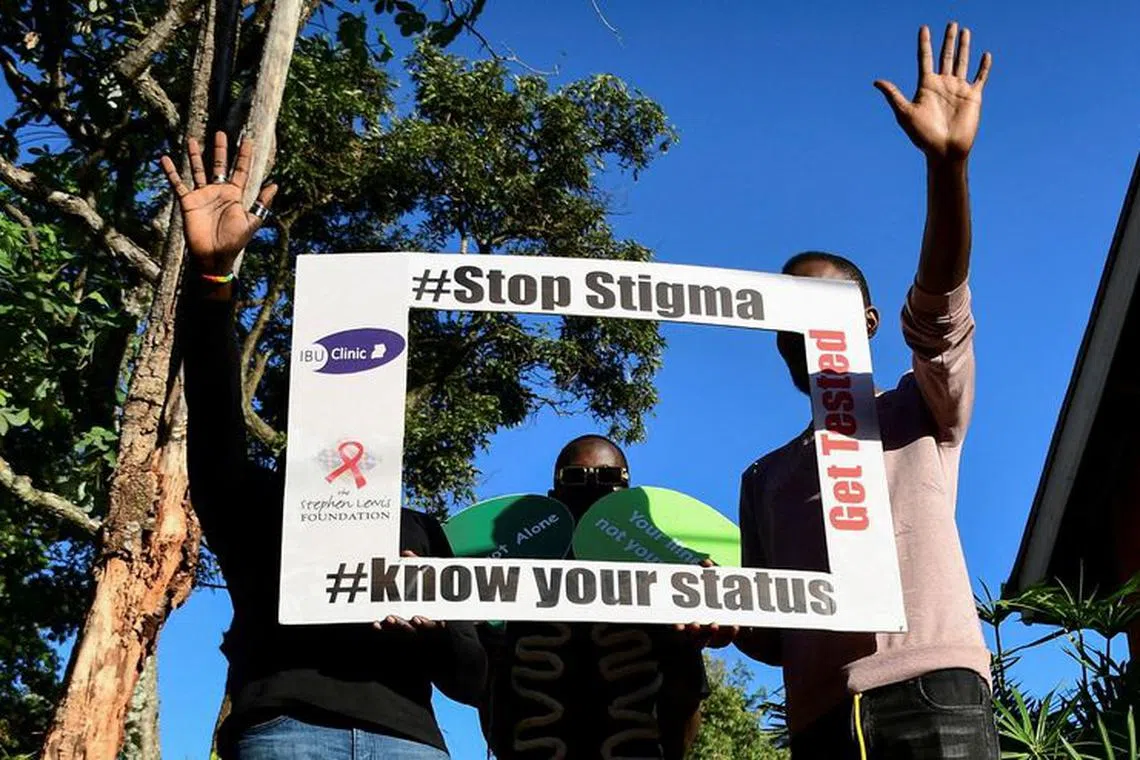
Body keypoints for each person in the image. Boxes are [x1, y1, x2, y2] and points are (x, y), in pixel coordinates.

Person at [164, 132, 487, 759]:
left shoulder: (419, 531)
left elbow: (474, 679)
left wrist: (433, 624)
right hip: (285, 734)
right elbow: (210, 407)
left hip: (412, 744)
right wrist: (212, 278)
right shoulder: (250, 501)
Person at [733, 22, 999, 759]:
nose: (805, 333)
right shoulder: (763, 479)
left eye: (823, 310)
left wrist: (947, 169)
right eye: (788, 319)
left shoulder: (921, 407)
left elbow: (942, 310)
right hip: (818, 722)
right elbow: (769, 632)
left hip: (933, 699)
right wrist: (716, 609)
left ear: (870, 321)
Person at [477, 434, 709, 760]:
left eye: (609, 477)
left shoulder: (657, 574)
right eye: (576, 476)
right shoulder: (517, 578)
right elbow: (491, 693)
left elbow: (687, 700)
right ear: (554, 494)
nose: (593, 488)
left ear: (628, 493)